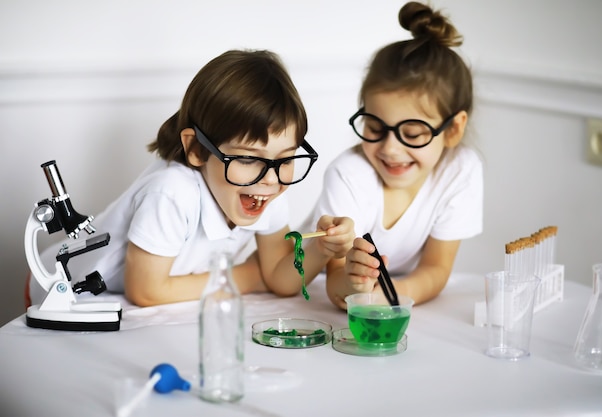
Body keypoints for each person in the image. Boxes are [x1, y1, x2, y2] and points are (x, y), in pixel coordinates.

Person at [28, 49, 354, 307]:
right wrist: (252, 275)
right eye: (246, 158)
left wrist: (323, 250)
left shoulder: (265, 190)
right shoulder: (172, 192)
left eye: (285, 159)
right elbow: (147, 291)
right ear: (197, 149)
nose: (270, 179)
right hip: (59, 289)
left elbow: (281, 281)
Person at [309, 2, 483, 310]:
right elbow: (332, 278)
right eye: (374, 128)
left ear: (454, 129)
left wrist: (390, 295)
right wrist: (356, 285)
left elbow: (436, 268)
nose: (390, 148)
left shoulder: (461, 170)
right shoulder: (348, 175)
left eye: (413, 134)